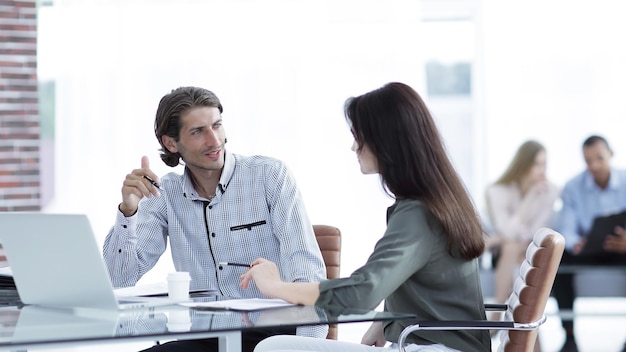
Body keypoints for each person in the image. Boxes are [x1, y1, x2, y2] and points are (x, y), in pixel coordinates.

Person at [240, 82, 492, 352]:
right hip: (430, 343)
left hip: (434, 348)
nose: (353, 146)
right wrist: (385, 323)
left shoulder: (418, 213)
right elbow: (419, 275)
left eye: (358, 136)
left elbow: (361, 294)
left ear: (385, 140)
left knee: (274, 347)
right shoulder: (437, 200)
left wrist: (276, 287)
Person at [102, 86, 328, 352]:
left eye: (217, 126)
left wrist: (307, 348)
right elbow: (117, 281)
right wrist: (129, 212)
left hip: (271, 336)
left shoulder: (269, 176)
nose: (214, 140)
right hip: (204, 337)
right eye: (198, 131)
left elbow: (308, 274)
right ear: (171, 143)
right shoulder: (164, 194)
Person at [554, 135, 626, 352]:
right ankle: (569, 338)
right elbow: (567, 226)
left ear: (610, 155)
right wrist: (576, 243)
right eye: (588, 161)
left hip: (621, 248)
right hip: (587, 248)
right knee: (558, 261)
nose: (593, 165)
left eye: (599, 159)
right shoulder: (573, 187)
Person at [485, 140, 560, 312]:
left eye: (545, 164)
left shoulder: (550, 191)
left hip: (529, 249)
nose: (542, 170)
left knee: (516, 251)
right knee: (512, 248)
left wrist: (498, 238)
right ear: (523, 164)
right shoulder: (497, 190)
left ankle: (497, 312)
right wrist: (529, 198)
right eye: (537, 164)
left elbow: (537, 232)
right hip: (505, 255)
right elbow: (509, 232)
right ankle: (527, 330)